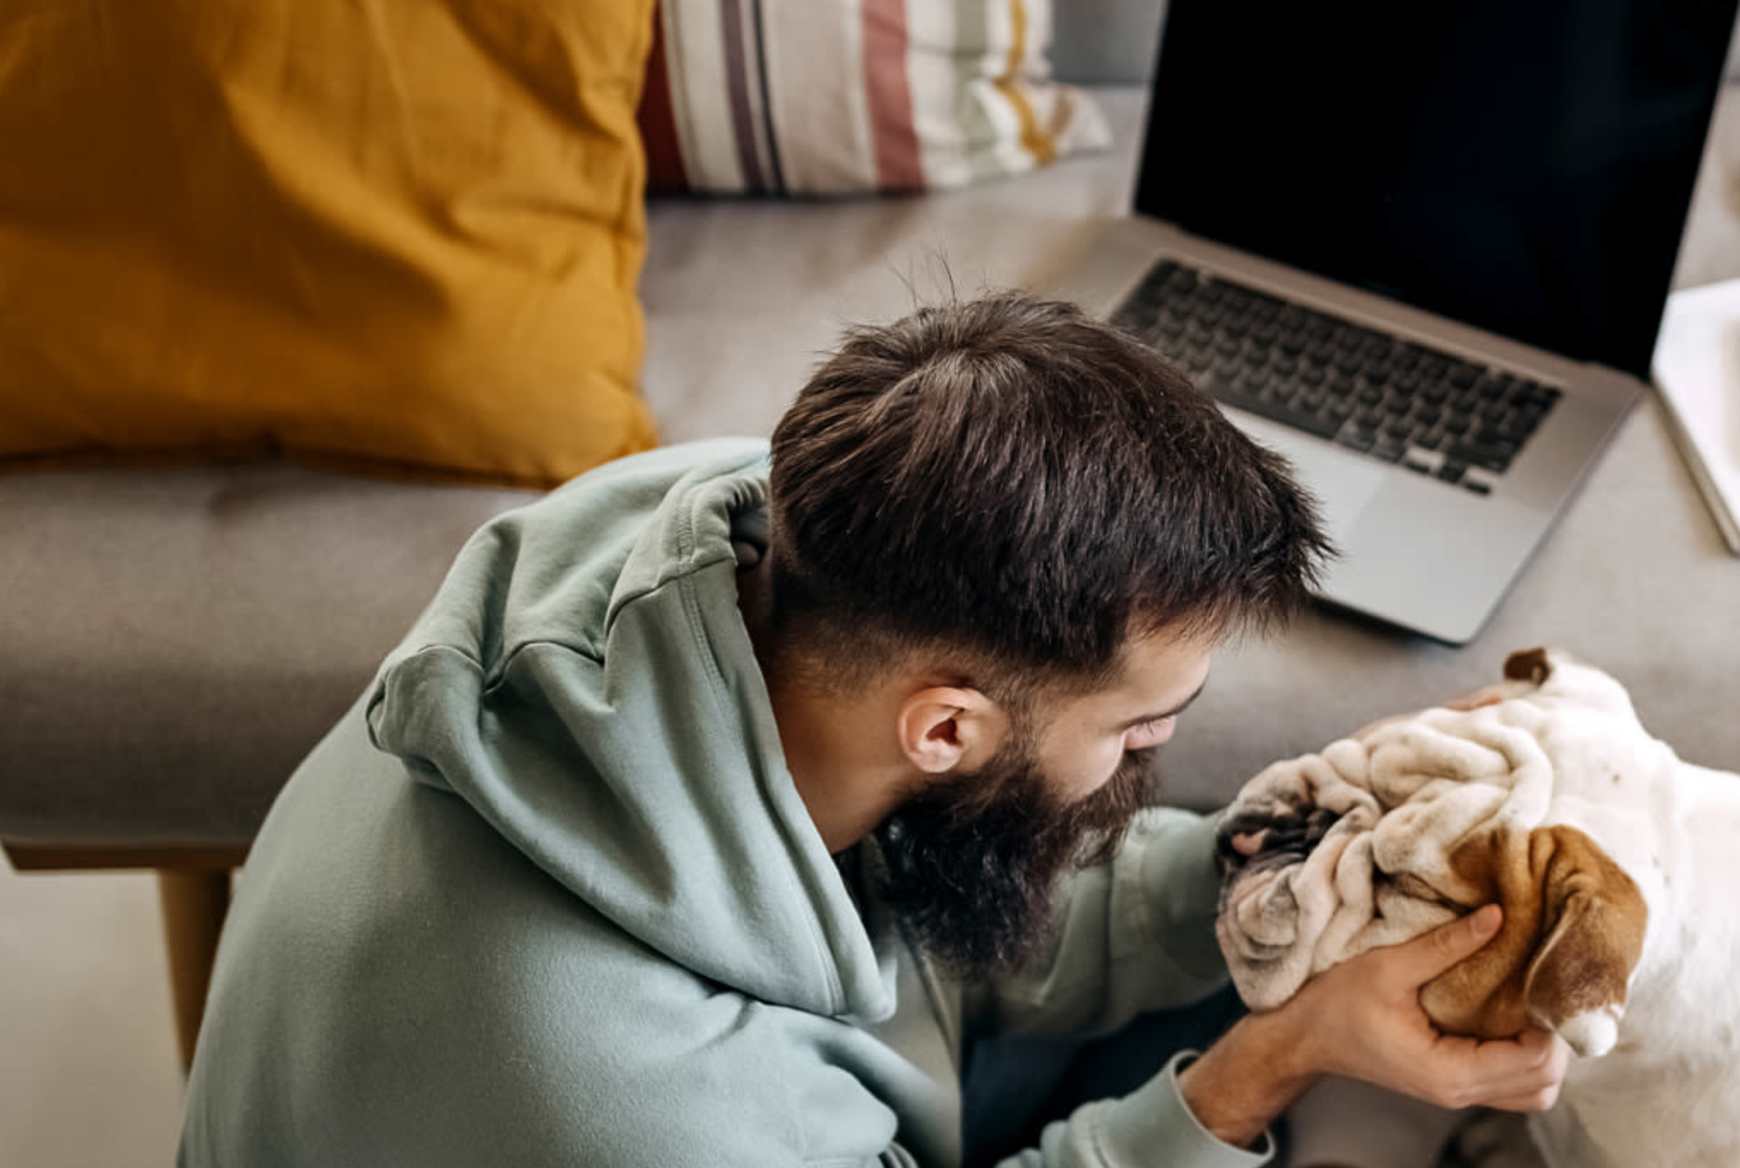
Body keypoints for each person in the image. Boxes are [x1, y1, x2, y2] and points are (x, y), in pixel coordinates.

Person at [179, 293, 1567, 1167]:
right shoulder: (662, 1105)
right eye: (1141, 732)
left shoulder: (747, 532)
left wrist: (1289, 863)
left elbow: (954, 897)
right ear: (946, 731)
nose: (1151, 764)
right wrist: (1267, 1070)